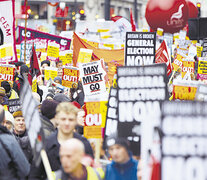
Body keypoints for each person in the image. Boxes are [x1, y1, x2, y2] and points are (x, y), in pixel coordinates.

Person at [29, 102, 94, 179]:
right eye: (63, 119)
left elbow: (91, 171)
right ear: (57, 118)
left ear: (76, 120)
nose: (67, 123)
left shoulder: (84, 144)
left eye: (70, 119)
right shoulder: (45, 144)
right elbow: (34, 175)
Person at [0, 105, 30, 179]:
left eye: (23, 120)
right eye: (18, 120)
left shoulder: (31, 139)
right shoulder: (9, 141)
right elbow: (25, 169)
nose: (21, 123)